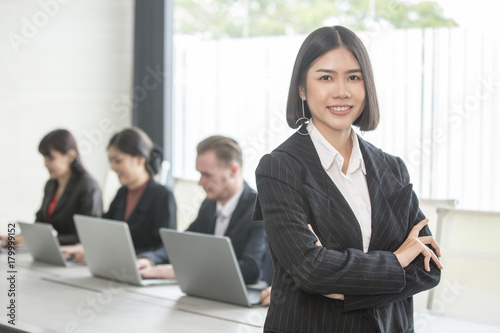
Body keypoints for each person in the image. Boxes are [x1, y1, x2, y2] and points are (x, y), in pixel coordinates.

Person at [253, 26, 443, 332]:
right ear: (302, 88)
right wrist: (396, 261)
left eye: (353, 77)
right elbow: (310, 269)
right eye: (325, 77)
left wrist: (338, 279)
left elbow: (428, 267)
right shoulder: (279, 168)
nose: (341, 91)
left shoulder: (392, 168)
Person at [138, 135, 265, 285]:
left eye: (207, 175)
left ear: (233, 170)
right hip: (207, 292)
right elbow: (184, 242)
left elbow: (251, 269)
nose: (200, 183)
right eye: (199, 174)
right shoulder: (209, 205)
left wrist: (179, 271)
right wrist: (150, 259)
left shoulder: (259, 209)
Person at [61, 127, 177, 260]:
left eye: (118, 161)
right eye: (110, 161)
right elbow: (105, 230)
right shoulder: (122, 193)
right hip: (115, 264)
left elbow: (167, 247)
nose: (112, 167)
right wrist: (85, 247)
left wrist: (148, 259)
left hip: (142, 269)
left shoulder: (162, 196)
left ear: (140, 159)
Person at [1, 129, 102, 248]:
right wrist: (18, 238)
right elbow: (40, 224)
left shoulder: (87, 186)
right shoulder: (51, 185)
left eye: (51, 158)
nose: (45, 164)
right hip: (52, 252)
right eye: (44, 158)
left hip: (74, 257)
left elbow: (86, 236)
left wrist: (39, 240)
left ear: (70, 156)